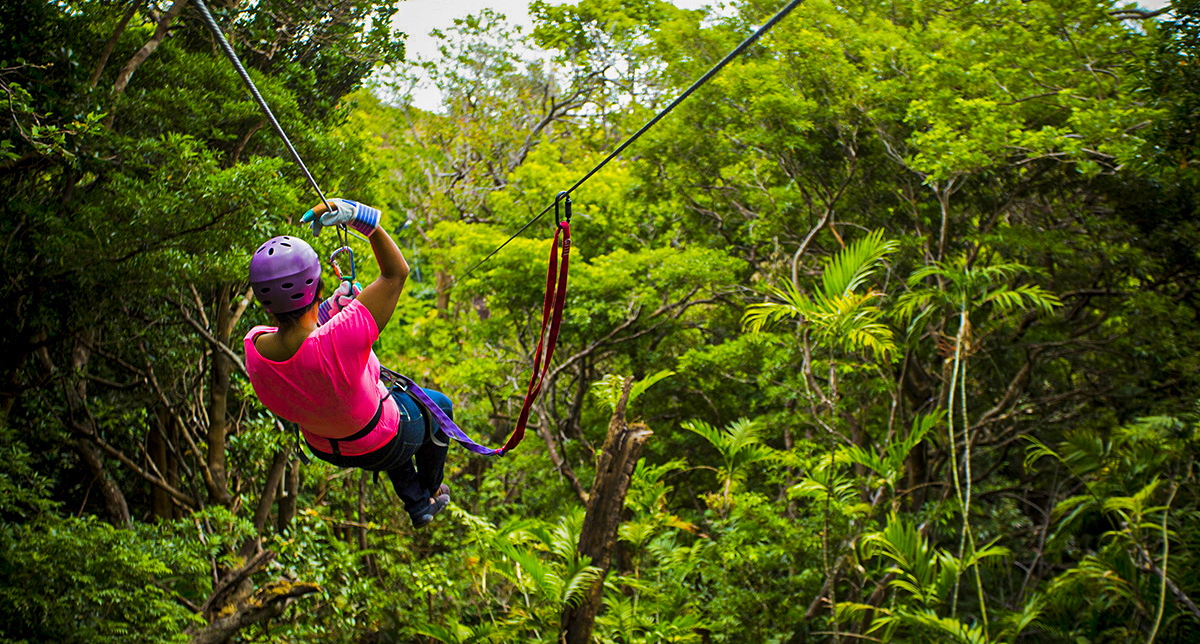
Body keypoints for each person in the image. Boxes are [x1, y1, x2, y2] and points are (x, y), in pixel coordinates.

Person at [242, 198, 452, 528]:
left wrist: (328, 308)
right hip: (380, 438)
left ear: (266, 302)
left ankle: (415, 503)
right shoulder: (341, 336)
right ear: (317, 286)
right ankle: (429, 491)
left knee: (387, 407)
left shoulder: (255, 347)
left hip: (326, 447)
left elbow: (301, 339)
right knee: (439, 406)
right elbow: (396, 274)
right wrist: (360, 216)